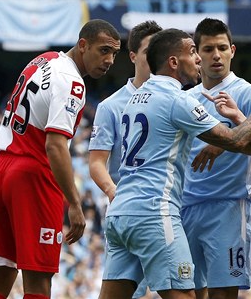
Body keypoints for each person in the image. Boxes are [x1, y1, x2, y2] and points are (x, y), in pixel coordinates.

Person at [98, 28, 251, 299]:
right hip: (155, 213)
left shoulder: (133, 99)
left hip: (120, 214)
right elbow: (236, 140)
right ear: (173, 62)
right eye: (193, 52)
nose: (198, 59)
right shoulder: (178, 99)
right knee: (185, 295)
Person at [0, 19, 121, 299]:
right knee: (38, 283)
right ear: (83, 45)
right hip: (32, 174)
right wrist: (75, 203)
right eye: (104, 50)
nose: (109, 60)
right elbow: (55, 146)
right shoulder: (73, 83)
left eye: (114, 53)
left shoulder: (44, 60)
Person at [181, 18, 251, 299]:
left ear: (232, 50)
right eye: (207, 49)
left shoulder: (249, 94)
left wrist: (225, 143)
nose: (216, 55)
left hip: (227, 206)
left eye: (221, 47)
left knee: (223, 293)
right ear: (196, 54)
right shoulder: (185, 99)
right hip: (184, 206)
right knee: (184, 292)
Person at [88, 20, 162, 299]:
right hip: (129, 210)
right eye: (148, 52)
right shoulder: (110, 106)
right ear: (132, 56)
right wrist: (112, 191)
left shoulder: (178, 100)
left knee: (187, 288)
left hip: (170, 211)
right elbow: (97, 162)